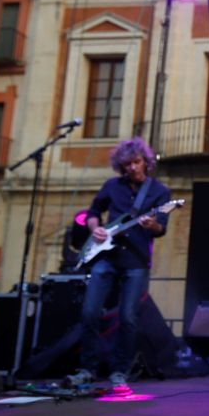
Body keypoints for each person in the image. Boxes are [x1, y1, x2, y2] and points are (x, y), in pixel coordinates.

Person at [69, 138, 172, 389]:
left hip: (136, 261)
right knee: (89, 312)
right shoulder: (112, 186)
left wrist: (152, 224)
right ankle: (87, 368)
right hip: (106, 257)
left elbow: (161, 230)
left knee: (128, 317)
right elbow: (93, 213)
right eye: (127, 164)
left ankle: (119, 371)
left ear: (145, 162)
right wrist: (96, 229)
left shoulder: (159, 192)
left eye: (136, 162)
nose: (132, 168)